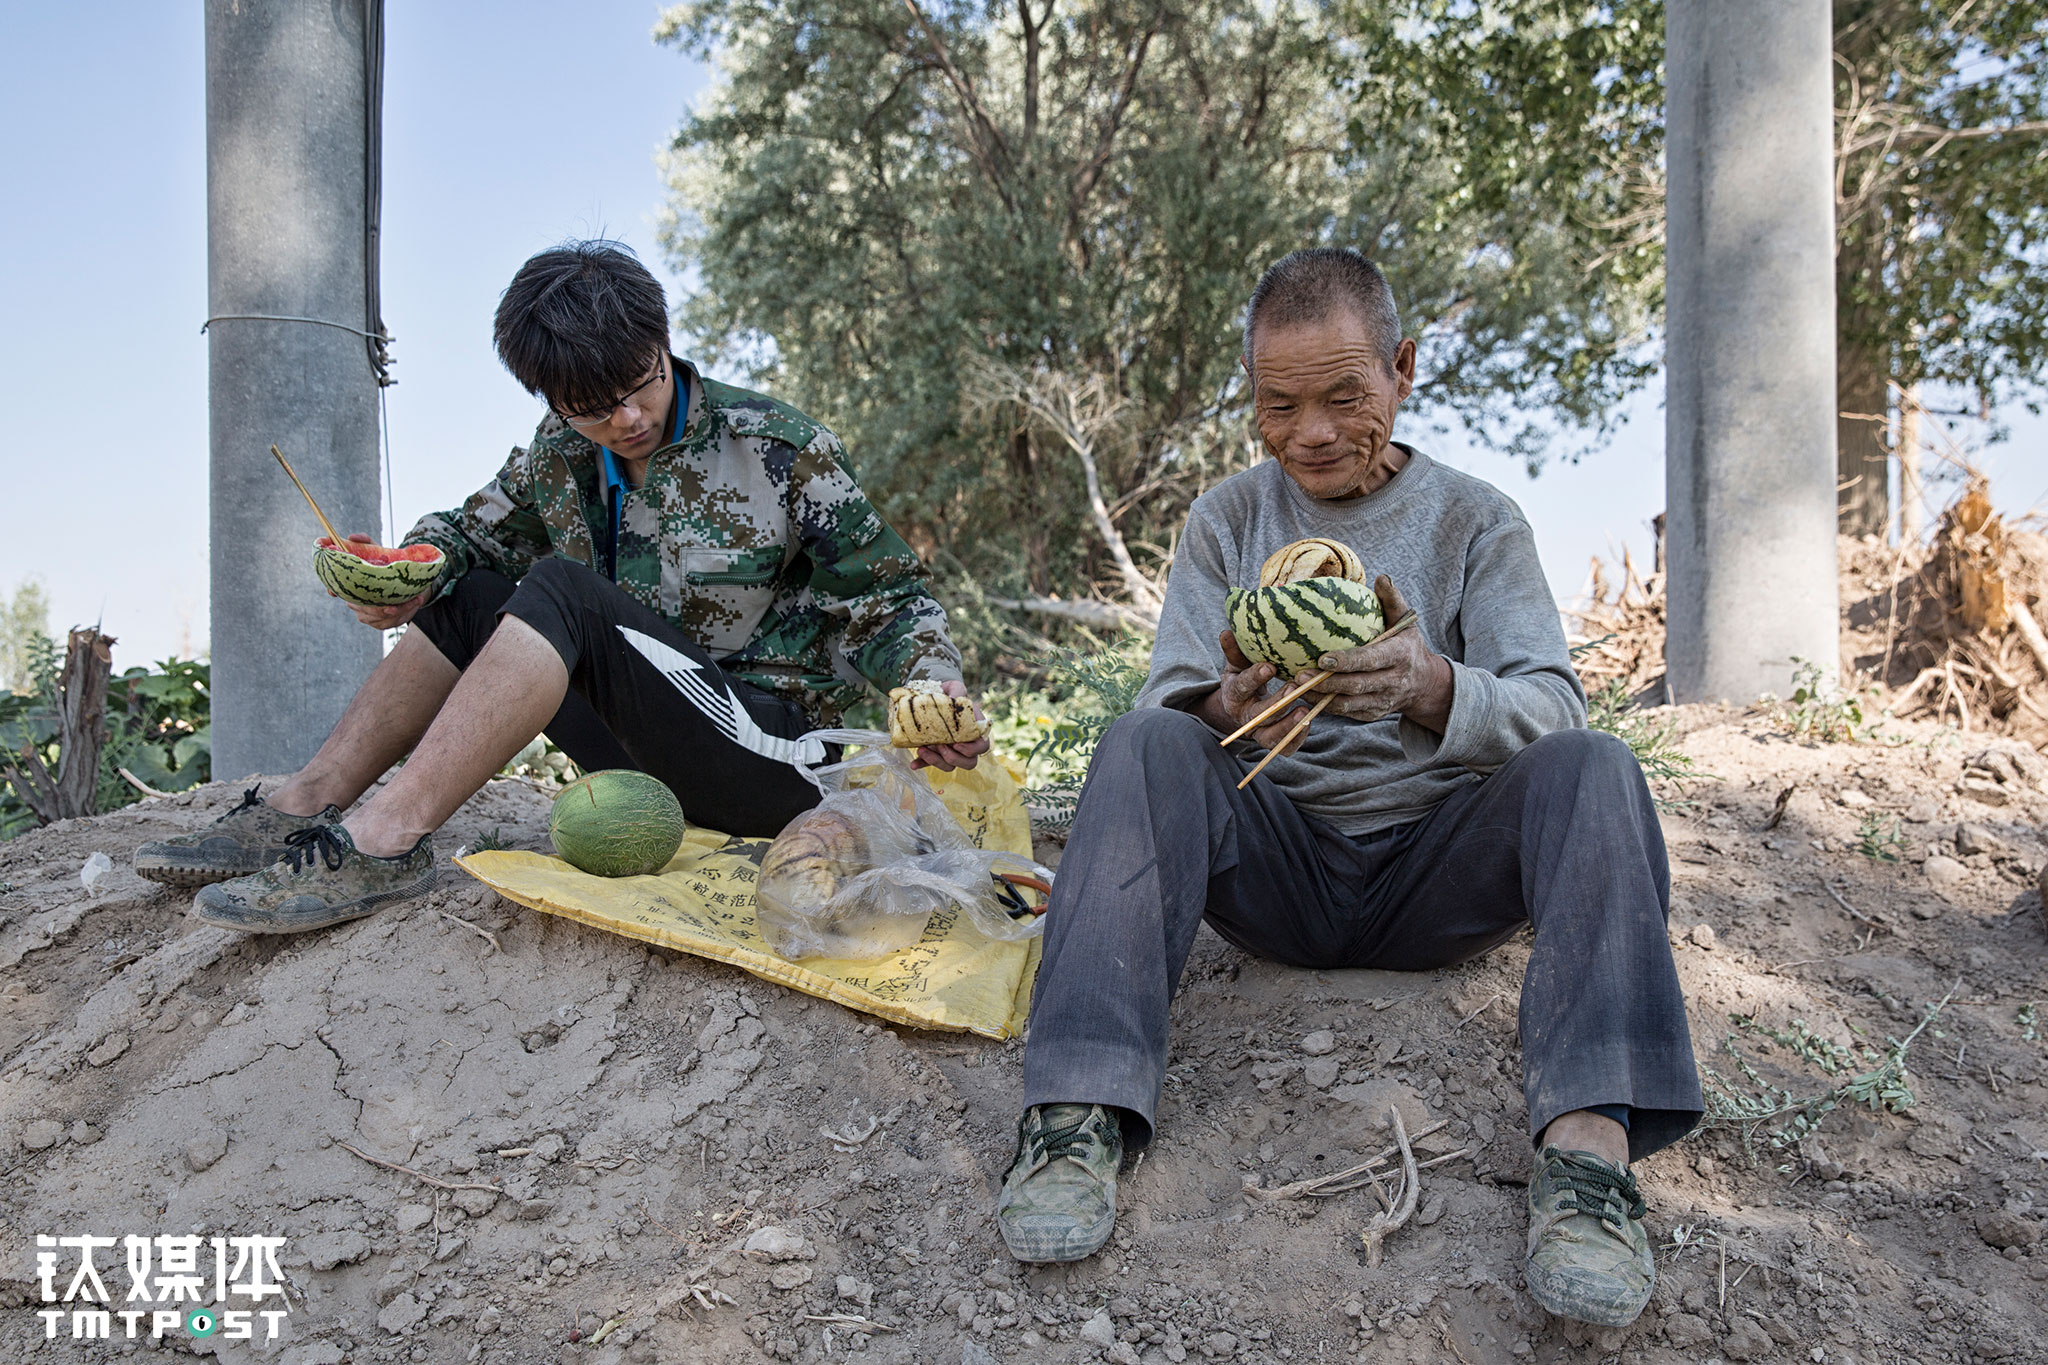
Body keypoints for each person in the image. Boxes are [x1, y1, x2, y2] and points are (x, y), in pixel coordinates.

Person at [992, 248, 1700, 1328]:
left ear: (1402, 369)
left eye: (1342, 396)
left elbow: (1553, 706)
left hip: (1437, 872)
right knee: (1142, 740)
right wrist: (1224, 704)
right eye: (1278, 405)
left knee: (1594, 765)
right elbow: (1173, 703)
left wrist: (1430, 685)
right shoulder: (1226, 521)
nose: (1310, 432)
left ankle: (1587, 1159)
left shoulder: (1475, 521)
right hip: (1277, 867)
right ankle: (1075, 1110)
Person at [136, 240, 987, 931]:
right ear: (551, 397)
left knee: (561, 589)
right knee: (469, 597)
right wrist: (406, 570)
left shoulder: (778, 448)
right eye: (592, 407)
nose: (627, 418)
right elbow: (467, 535)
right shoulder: (559, 452)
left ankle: (385, 840)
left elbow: (892, 598)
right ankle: (303, 805)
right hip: (648, 751)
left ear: (662, 340)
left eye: (641, 382)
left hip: (773, 755)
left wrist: (932, 682)